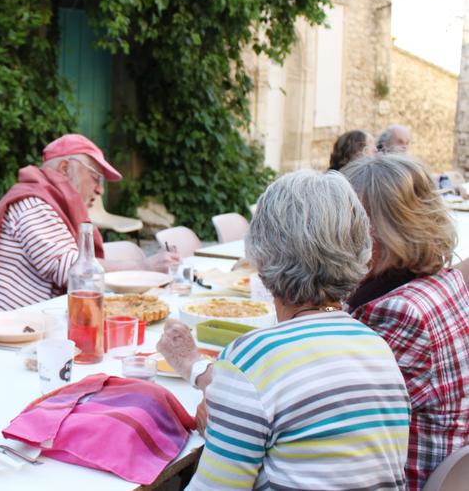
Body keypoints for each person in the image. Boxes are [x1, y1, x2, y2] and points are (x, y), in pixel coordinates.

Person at [161, 170, 410, 489]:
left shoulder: (252, 357)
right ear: (362, 252)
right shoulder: (376, 346)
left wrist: (228, 429)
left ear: (260, 258)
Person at [342, 154, 469, 490]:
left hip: (403, 478)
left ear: (371, 233)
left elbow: (333, 421)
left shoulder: (398, 312)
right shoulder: (444, 282)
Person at [0, 134, 180, 312]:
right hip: (18, 329)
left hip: (47, 320)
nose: (100, 189)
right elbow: (75, 270)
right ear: (65, 169)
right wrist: (144, 267)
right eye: (96, 177)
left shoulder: (51, 203)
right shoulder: (33, 204)